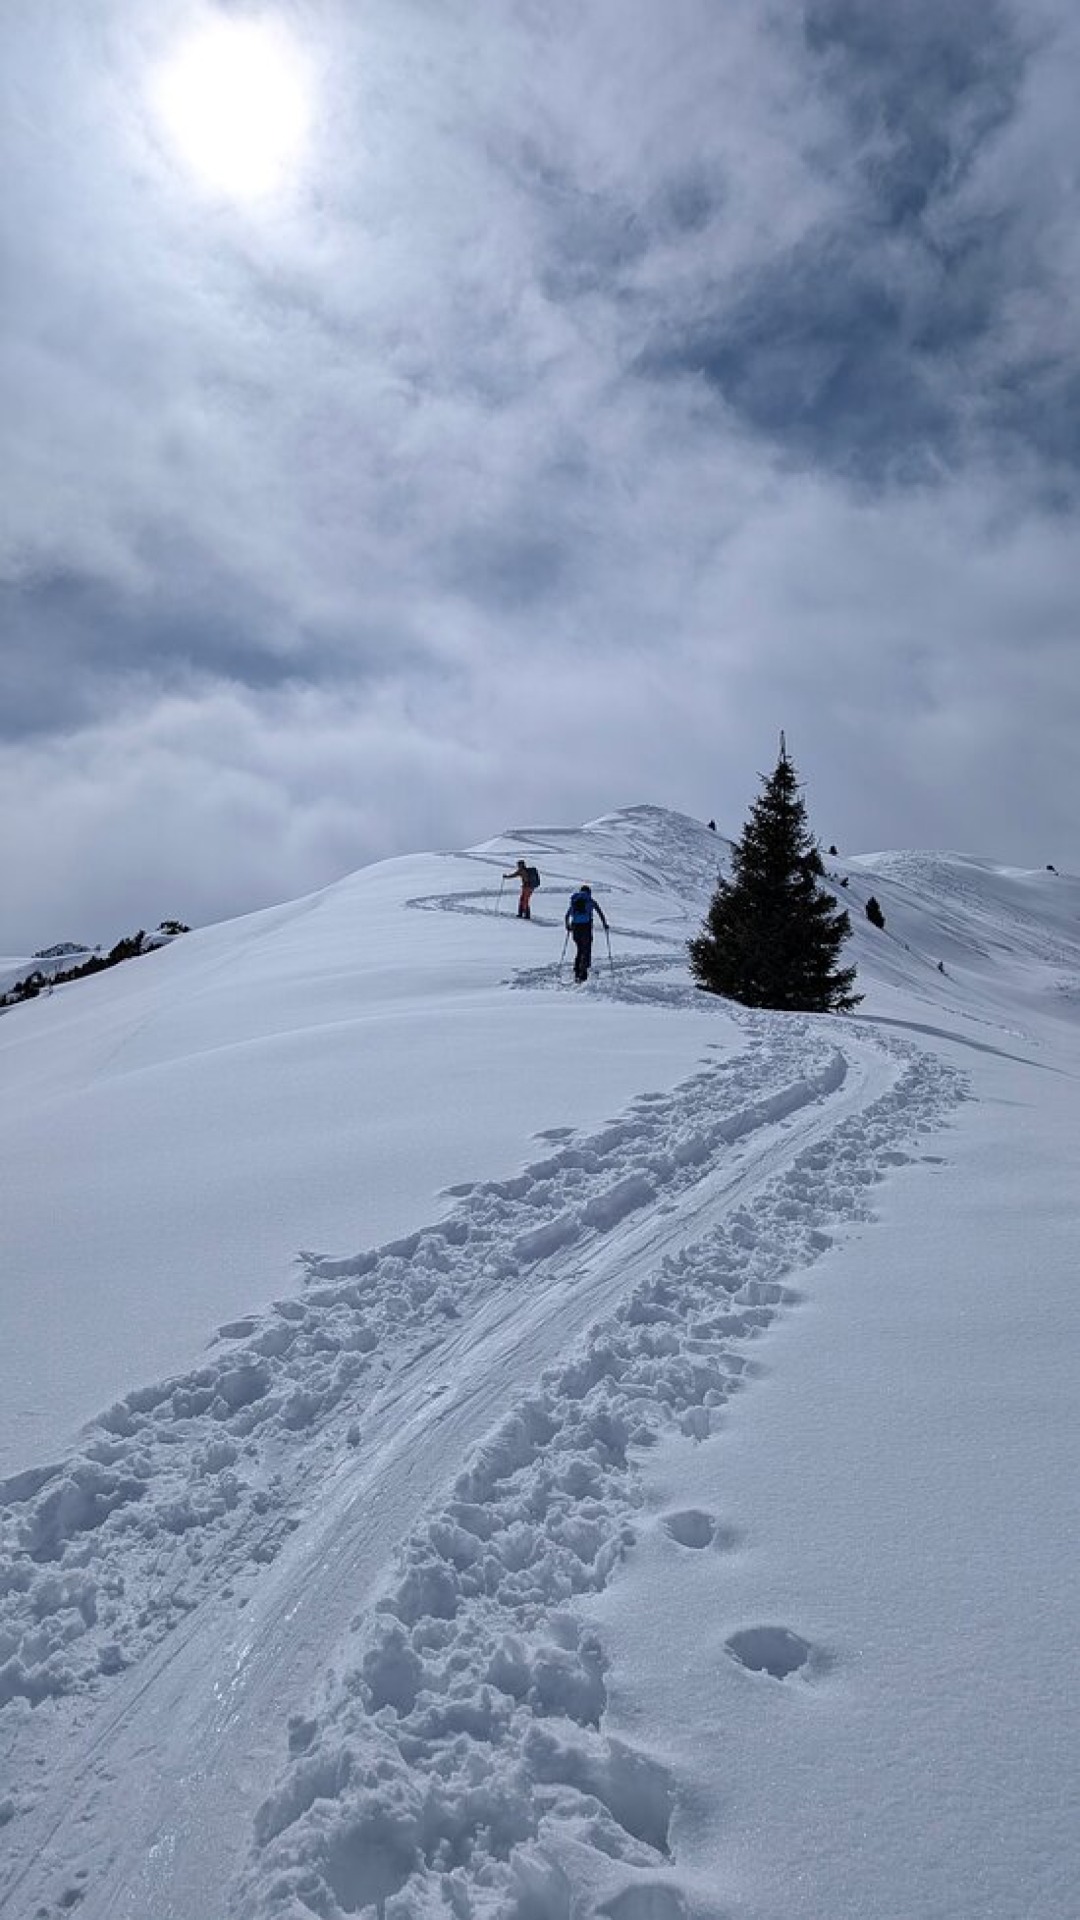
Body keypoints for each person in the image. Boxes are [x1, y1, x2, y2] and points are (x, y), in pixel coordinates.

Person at [565, 883, 608, 982]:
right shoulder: (590, 901)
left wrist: (567, 926)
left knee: (579, 949)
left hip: (575, 928)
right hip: (586, 928)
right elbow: (600, 913)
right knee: (586, 949)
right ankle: (583, 973)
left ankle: (577, 971)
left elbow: (567, 915)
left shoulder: (575, 901)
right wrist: (604, 924)